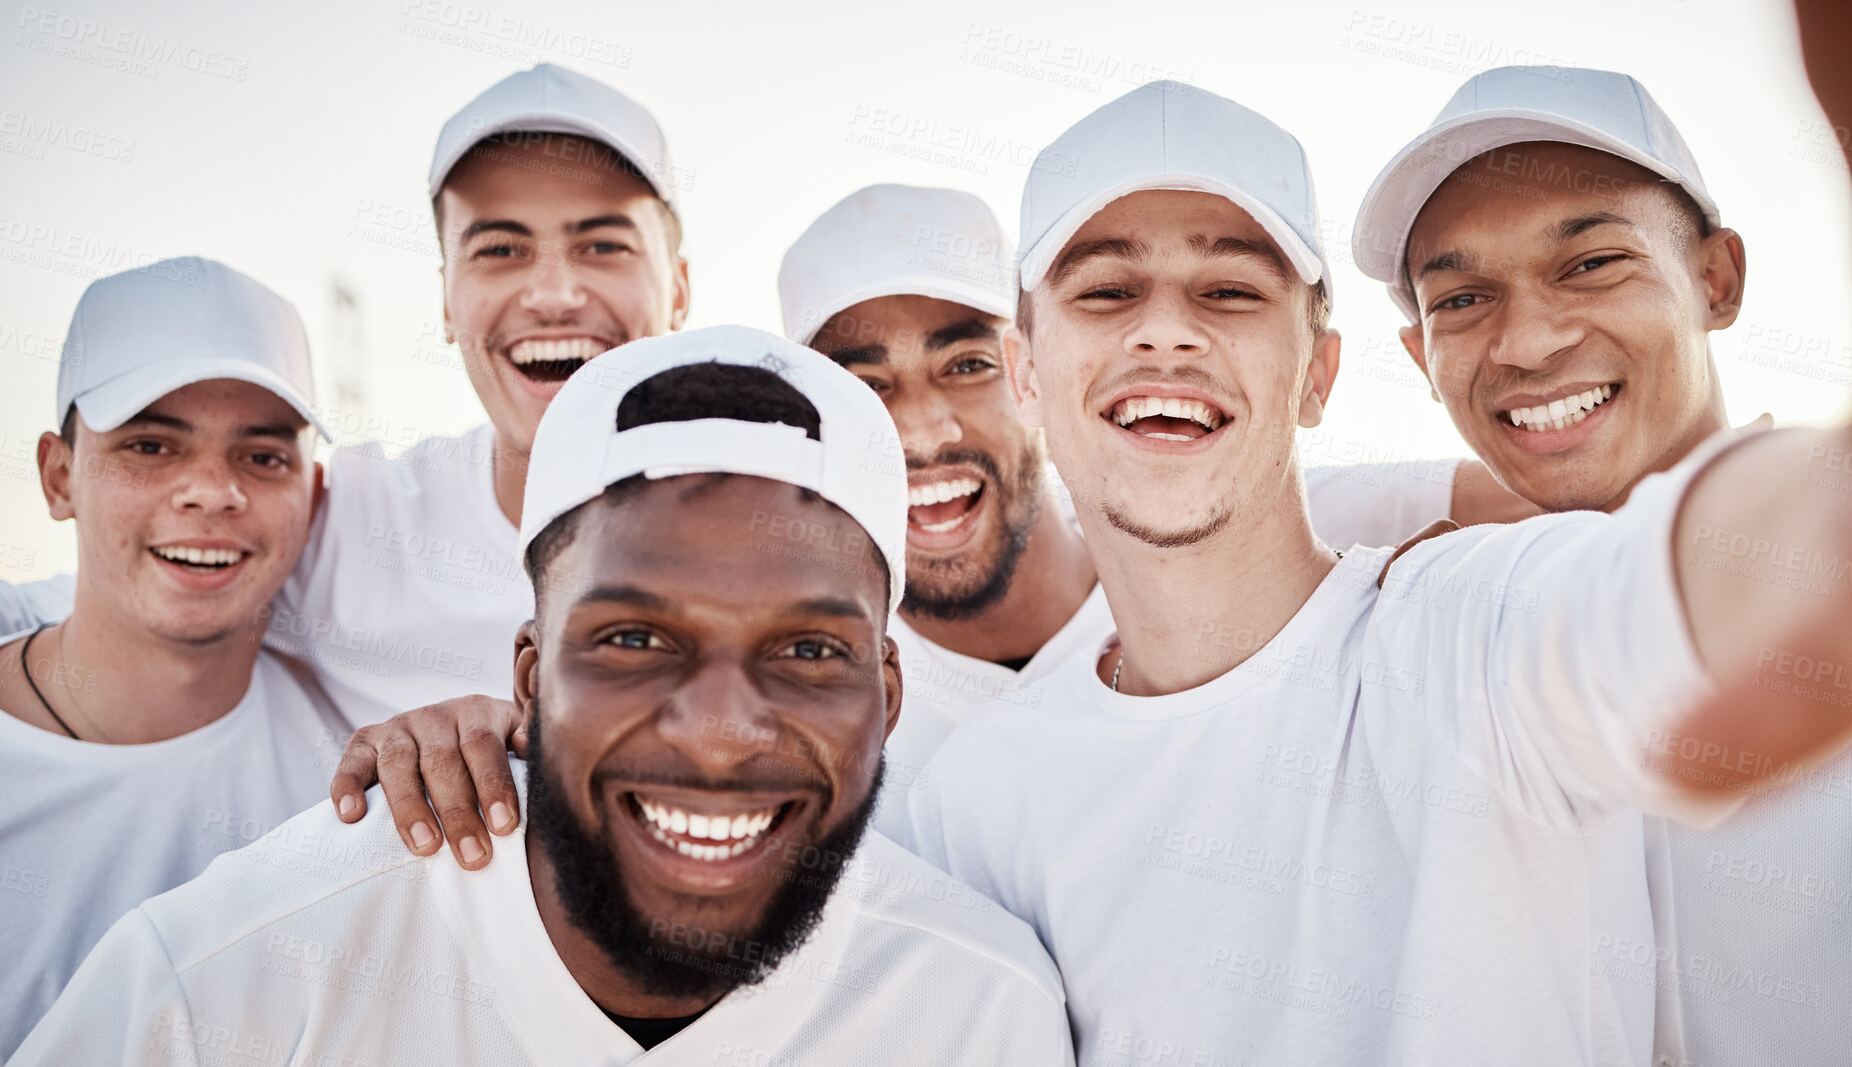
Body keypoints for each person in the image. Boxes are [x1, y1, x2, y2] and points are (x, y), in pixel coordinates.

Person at [906, 79, 1852, 1064]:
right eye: (1104, 291)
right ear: (1022, 374)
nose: (1165, 334)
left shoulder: (1477, 629)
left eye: (1229, 291)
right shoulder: (966, 803)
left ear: (1319, 374)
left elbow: (1683, 555)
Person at [326, 181, 1538, 854]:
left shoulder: (1237, 526)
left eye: (959, 364)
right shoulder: (824, 702)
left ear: (1028, 370)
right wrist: (497, 728)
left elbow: (1579, 487)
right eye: (862, 383)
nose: (916, 431)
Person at [12, 326, 1073, 1065]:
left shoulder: (979, 1008)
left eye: (806, 653)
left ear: (887, 695)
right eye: (631, 638)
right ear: (526, 677)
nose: (716, 734)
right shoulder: (230, 976)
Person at [0, 62, 691, 868]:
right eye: (500, 248)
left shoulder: (781, 523)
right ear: (445, 299)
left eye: (602, 243)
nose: (551, 293)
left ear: (679, 288)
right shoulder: (358, 519)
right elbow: (108, 596)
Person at [1350, 64, 1851, 1067]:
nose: (1528, 342)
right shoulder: (1422, 616)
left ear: (1717, 280)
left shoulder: (1818, 566)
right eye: (1462, 298)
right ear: (1418, 357)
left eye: (1590, 264)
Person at [0, 257, 350, 1057]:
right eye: (151, 445)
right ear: (60, 478)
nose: (210, 492)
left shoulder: (356, 774)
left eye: (263, 457)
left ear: (313, 495)